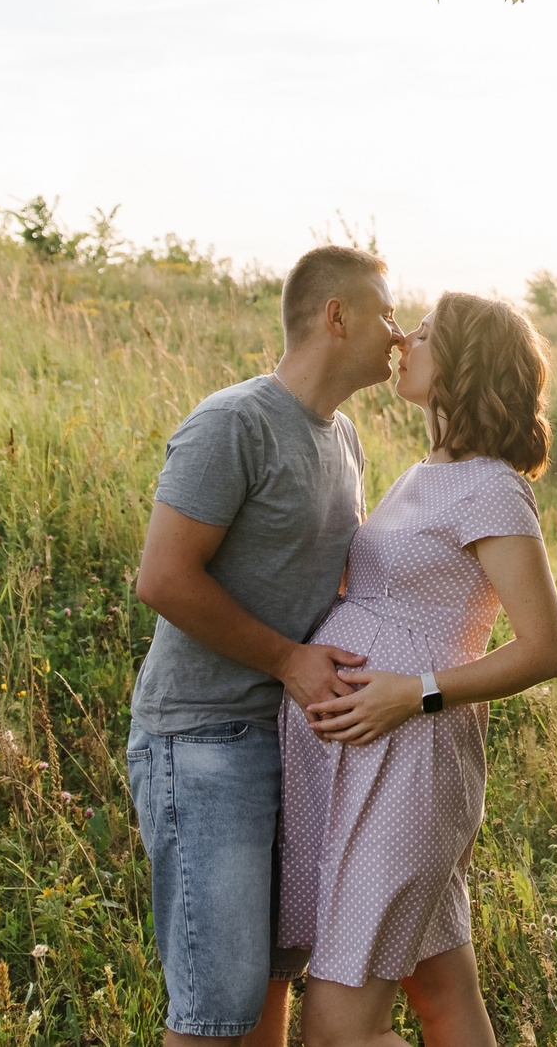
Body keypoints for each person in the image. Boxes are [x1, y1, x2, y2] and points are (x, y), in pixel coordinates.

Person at [127, 244, 404, 1046]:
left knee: (267, 990)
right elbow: (164, 578)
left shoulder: (343, 436)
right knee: (216, 1007)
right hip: (204, 736)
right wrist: (288, 660)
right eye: (383, 312)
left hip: (292, 741)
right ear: (336, 315)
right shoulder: (233, 423)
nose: (395, 331)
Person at [277, 292, 557, 1047]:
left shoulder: (493, 486)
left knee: (338, 1033)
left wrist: (416, 692)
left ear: (466, 364)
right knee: (442, 991)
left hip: (409, 760)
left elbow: (544, 647)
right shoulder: (420, 474)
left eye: (429, 333)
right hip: (358, 758)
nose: (406, 337)